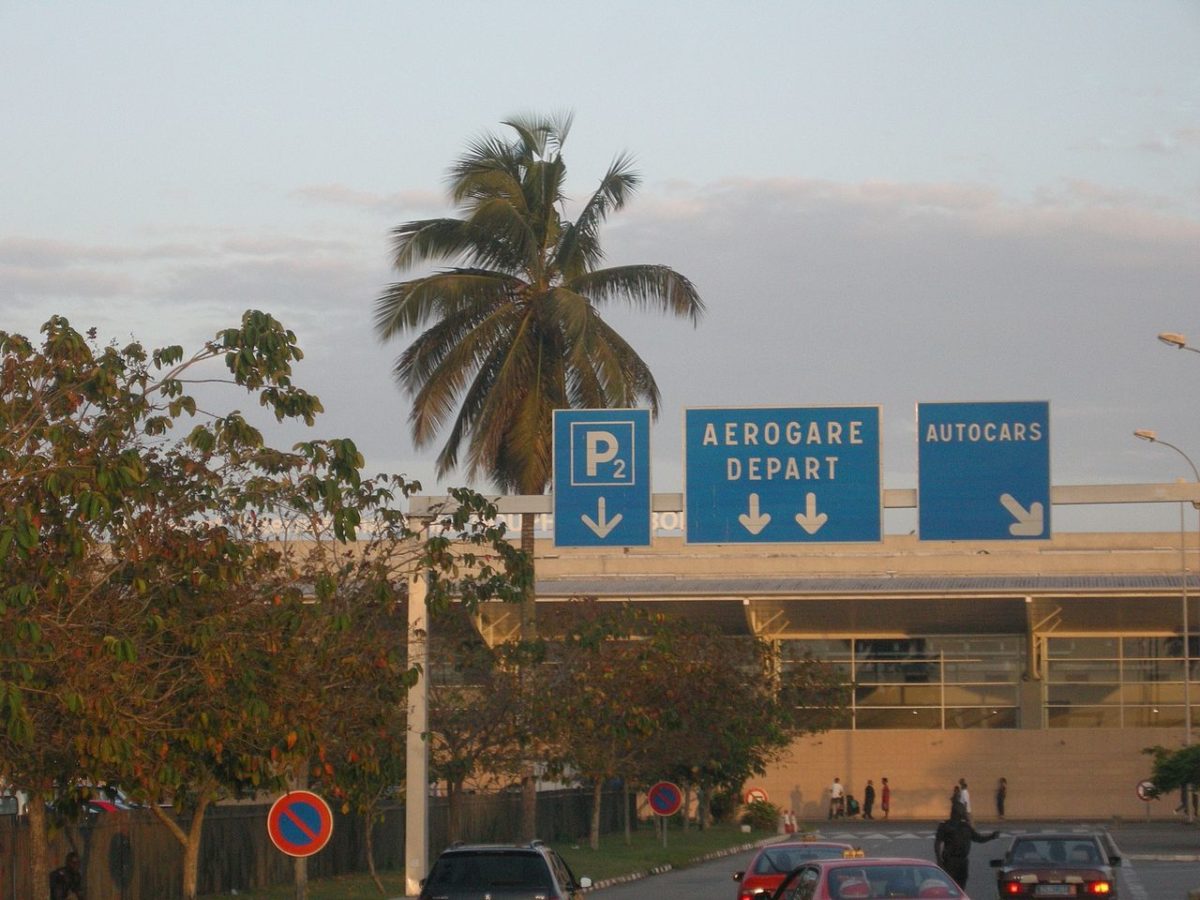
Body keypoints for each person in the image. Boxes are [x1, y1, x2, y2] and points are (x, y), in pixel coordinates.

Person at [933, 803, 999, 889]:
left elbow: (978, 838)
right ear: (957, 813)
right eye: (962, 812)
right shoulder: (945, 826)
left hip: (963, 862)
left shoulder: (965, 826)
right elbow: (937, 843)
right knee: (950, 888)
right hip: (950, 862)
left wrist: (991, 836)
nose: (964, 814)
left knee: (961, 887)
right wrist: (939, 861)